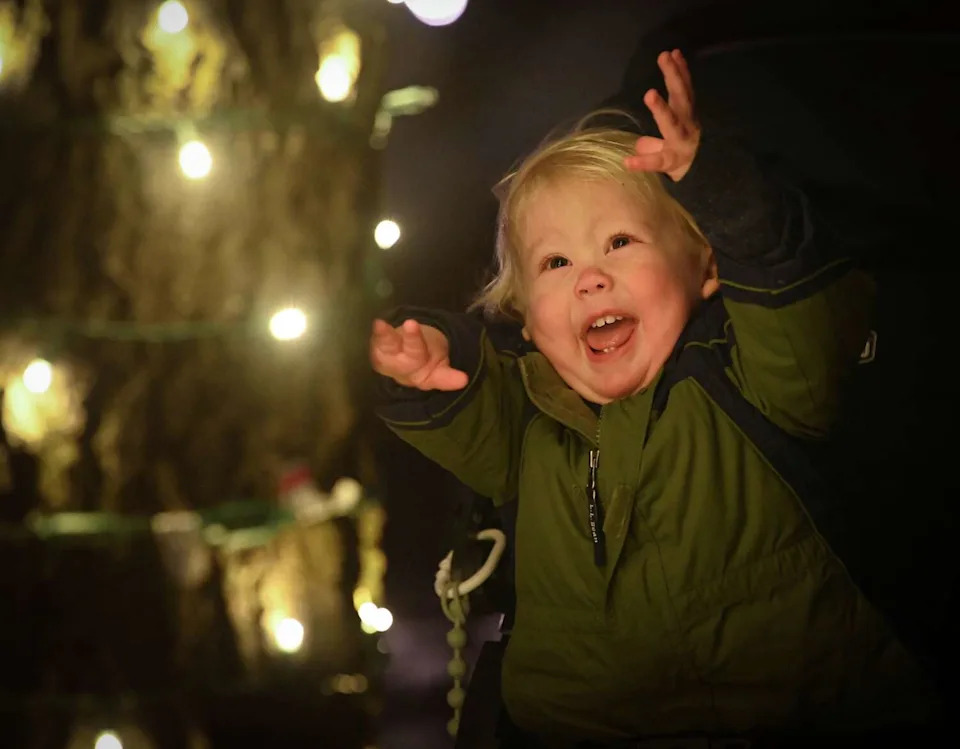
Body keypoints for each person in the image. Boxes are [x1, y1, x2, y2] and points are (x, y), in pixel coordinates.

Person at [370, 50, 937, 746]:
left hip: (796, 715)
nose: (589, 279)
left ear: (704, 268)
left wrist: (722, 192)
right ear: (524, 313)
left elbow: (795, 299)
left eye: (619, 241)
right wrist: (439, 355)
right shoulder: (530, 419)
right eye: (555, 262)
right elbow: (478, 395)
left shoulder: (750, 376)